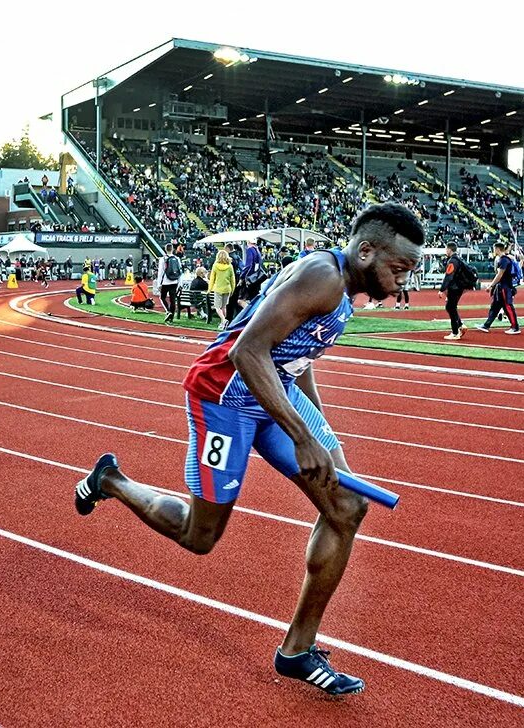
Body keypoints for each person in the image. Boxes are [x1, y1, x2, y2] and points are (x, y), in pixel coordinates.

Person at [74, 203, 425, 695]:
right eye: (399, 267)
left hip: (269, 393)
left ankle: (298, 650)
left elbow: (298, 355)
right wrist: (304, 438)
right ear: (366, 250)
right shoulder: (323, 277)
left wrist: (315, 424)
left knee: (346, 508)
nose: (404, 280)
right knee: (200, 537)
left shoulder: (342, 286)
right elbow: (247, 352)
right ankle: (110, 479)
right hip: (224, 399)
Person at [476, 242, 521, 335]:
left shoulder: (504, 260)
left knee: (508, 307)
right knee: (495, 307)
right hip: (501, 287)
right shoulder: (504, 259)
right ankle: (486, 325)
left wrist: (490, 285)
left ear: (497, 249)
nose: (493, 251)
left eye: (494, 249)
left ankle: (515, 327)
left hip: (505, 287)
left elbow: (499, 275)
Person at [438, 241, 470, 340]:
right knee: (450, 307)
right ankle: (460, 325)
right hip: (459, 287)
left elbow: (449, 275)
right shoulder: (458, 259)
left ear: (449, 249)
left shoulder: (453, 261)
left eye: (446, 249)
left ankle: (455, 332)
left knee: (451, 308)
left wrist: (442, 289)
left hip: (455, 287)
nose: (445, 251)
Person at [209, 248, 236, 330]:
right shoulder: (230, 266)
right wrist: (232, 289)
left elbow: (212, 278)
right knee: (224, 307)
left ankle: (223, 320)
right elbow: (232, 279)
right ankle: (223, 323)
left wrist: (209, 289)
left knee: (217, 307)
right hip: (227, 288)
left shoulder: (215, 266)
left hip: (218, 288)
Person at [156, 243, 182, 323]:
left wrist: (158, 284)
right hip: (174, 281)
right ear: (173, 249)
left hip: (165, 282)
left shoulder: (162, 259)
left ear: (165, 249)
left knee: (162, 297)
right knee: (172, 300)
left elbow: (160, 272)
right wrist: (179, 283)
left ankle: (168, 311)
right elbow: (180, 271)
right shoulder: (177, 258)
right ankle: (171, 317)